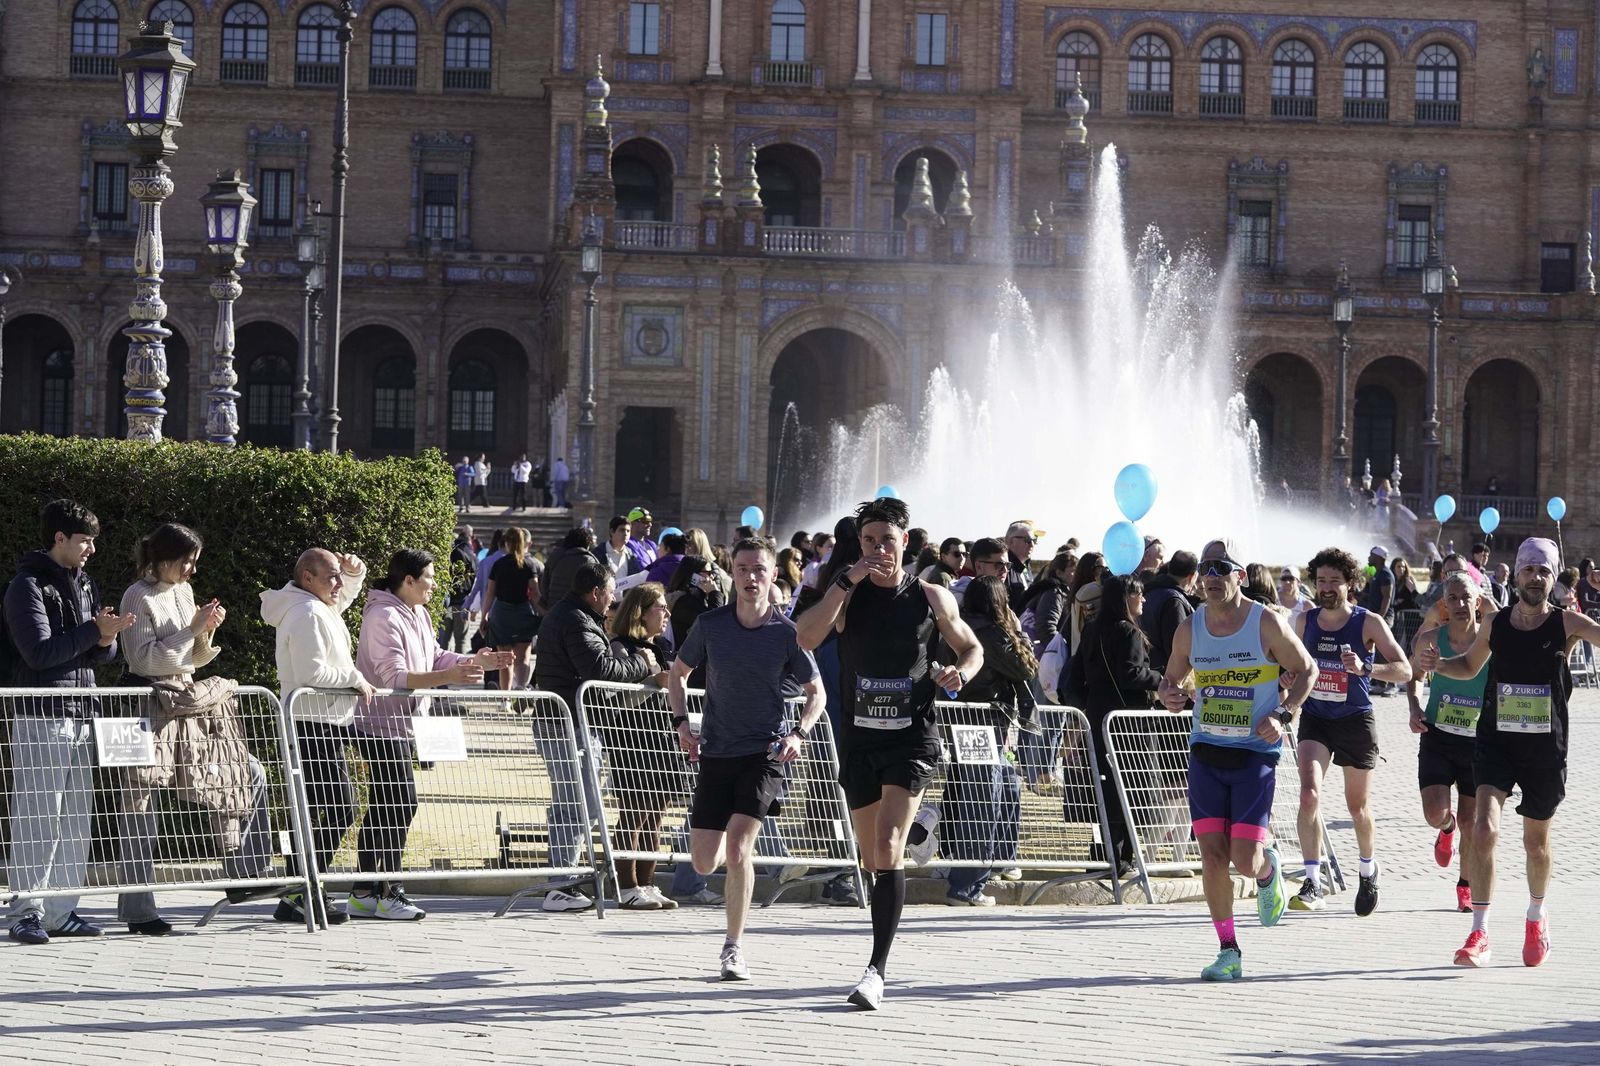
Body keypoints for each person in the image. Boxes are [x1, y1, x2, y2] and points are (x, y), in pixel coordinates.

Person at [796, 497, 983, 1011]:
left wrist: (960, 673)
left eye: (888, 540)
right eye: (869, 540)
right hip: (860, 739)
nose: (879, 549)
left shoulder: (931, 596)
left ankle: (875, 971)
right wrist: (845, 581)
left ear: (906, 542)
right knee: (872, 857)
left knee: (886, 845)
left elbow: (971, 648)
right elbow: (805, 636)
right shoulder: (847, 595)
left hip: (911, 737)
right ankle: (921, 831)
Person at [1422, 537, 1600, 968]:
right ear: (1517, 573)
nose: (1535, 577)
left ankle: (1536, 917)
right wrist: (1438, 665)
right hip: (1495, 742)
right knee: (1483, 830)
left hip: (1544, 748)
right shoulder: (1495, 623)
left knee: (1535, 845)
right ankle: (1479, 932)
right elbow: (1470, 664)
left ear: (1553, 578)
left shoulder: (1568, 623)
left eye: (1544, 571)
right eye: (1528, 569)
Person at [1157, 543, 1317, 981]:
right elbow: (1170, 680)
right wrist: (1168, 694)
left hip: (1254, 755)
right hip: (1206, 752)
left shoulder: (1266, 622)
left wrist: (1284, 714)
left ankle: (1267, 871)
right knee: (1212, 857)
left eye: (1220, 568)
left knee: (1245, 860)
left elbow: (1307, 670)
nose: (1210, 576)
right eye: (1205, 568)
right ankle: (1228, 950)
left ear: (1240, 575)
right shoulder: (1190, 628)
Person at [669, 538, 824, 978]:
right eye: (742, 569)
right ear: (731, 574)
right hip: (716, 750)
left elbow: (817, 692)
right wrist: (681, 723)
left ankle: (733, 947)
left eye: (759, 569)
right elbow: (678, 674)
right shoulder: (710, 624)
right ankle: (732, 871)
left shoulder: (788, 633)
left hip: (765, 752)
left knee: (739, 848)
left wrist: (798, 733)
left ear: (773, 575)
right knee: (704, 861)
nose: (750, 577)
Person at [116, 523, 275, 936]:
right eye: (186, 561)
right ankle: (138, 910)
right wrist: (191, 630)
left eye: (194, 562)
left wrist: (206, 630)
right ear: (163, 557)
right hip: (142, 705)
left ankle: (246, 875)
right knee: (139, 804)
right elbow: (144, 660)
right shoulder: (137, 595)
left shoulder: (184, 591)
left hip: (184, 702)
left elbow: (194, 659)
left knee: (248, 771)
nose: (191, 569)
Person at [352, 549, 511, 920]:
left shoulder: (418, 613)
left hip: (404, 725)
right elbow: (395, 678)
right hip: (379, 725)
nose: (435, 585)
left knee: (387, 806)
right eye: (430, 577)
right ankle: (389, 890)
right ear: (408, 580)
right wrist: (449, 677)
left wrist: (472, 662)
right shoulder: (383, 616)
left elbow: (435, 655)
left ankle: (364, 891)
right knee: (400, 803)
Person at [4, 500, 135, 946]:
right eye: (84, 541)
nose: (91, 549)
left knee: (77, 818)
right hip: (42, 713)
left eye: (93, 541)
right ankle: (26, 912)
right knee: (38, 816)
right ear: (58, 538)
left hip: (83, 712)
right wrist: (94, 633)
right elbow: (38, 654)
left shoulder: (85, 584)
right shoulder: (26, 587)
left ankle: (61, 912)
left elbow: (99, 655)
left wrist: (107, 639)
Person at [1290, 547, 1411, 916]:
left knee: (1357, 808)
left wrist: (1365, 668)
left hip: (1356, 720)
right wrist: (1288, 678)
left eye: (1335, 581)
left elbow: (1404, 670)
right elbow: (1289, 666)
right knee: (1309, 795)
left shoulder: (1368, 622)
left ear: (1350, 584)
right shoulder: (1304, 621)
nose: (1327, 588)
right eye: (1321, 581)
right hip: (1316, 719)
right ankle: (1312, 882)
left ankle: (1368, 869)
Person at [534, 560, 660, 911]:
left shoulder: (574, 616)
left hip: (570, 721)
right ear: (595, 592)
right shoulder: (576, 620)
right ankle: (560, 884)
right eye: (610, 593)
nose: (613, 600)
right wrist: (643, 664)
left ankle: (563, 881)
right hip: (567, 724)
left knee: (577, 805)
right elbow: (599, 668)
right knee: (578, 805)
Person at [259, 547, 373, 926]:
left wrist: (354, 574)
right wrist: (354, 678)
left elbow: (341, 599)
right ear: (307, 579)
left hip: (319, 721)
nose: (338, 583)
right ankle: (303, 887)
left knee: (314, 810)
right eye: (331, 577)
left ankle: (301, 890)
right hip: (311, 724)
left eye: (339, 575)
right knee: (341, 806)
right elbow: (312, 673)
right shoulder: (306, 612)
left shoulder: (314, 605)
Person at [938, 575, 1032, 906]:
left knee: (1002, 787)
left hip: (963, 721)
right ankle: (966, 886)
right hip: (982, 724)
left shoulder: (957, 628)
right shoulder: (992, 633)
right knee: (981, 802)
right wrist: (1018, 631)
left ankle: (995, 863)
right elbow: (1026, 667)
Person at [1064, 573, 1163, 872]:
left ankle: (1101, 855)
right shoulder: (1128, 631)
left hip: (1098, 718)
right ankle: (1121, 858)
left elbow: (1073, 678)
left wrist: (1088, 704)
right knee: (1131, 788)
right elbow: (1131, 674)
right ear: (1125, 598)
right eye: (1138, 593)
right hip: (1129, 723)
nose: (1143, 598)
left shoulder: (1091, 629)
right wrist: (1161, 679)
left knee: (1104, 788)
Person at [1407, 568, 1488, 914]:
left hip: (1477, 742)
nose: (1459, 604)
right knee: (1434, 813)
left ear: (1477, 601)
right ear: (1443, 604)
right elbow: (1414, 676)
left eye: (1465, 597)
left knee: (1473, 822)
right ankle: (1446, 828)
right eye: (1452, 598)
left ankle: (1465, 885)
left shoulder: (1490, 641)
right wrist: (1414, 707)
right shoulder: (1430, 639)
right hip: (1438, 735)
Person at [603, 583, 679, 910]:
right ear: (641, 612)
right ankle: (627, 886)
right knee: (634, 813)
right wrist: (652, 682)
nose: (667, 614)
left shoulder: (660, 648)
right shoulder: (620, 647)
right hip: (631, 739)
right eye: (661, 607)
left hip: (660, 737)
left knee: (656, 815)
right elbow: (613, 698)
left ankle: (648, 883)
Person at [484, 527, 541, 690]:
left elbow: (490, 593)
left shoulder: (498, 564)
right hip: (523, 612)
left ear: (506, 543)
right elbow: (535, 594)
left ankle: (506, 697)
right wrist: (544, 613)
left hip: (501, 613)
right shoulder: (529, 564)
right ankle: (520, 689)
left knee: (505, 659)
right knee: (523, 658)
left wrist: (484, 616)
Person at [1141, 550, 1199, 675]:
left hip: (1147, 673)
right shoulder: (1174, 602)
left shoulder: (1149, 593)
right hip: (1165, 678)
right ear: (1192, 576)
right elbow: (1178, 651)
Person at [1019, 550, 1074, 649]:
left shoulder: (1053, 590)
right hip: (1045, 653)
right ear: (1059, 573)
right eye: (1073, 571)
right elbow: (1046, 628)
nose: (1076, 575)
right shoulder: (1054, 593)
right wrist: (1061, 650)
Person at [542, 526, 600, 611]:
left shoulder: (555, 556)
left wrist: (547, 602)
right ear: (587, 544)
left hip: (553, 608)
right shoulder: (589, 560)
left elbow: (544, 582)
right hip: (576, 610)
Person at [441, 525, 477, 654]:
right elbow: (473, 579)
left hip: (446, 602)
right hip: (462, 602)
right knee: (460, 640)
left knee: (443, 640)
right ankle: (459, 665)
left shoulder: (446, 555)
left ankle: (441, 664)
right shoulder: (469, 555)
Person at [1002, 520, 1044, 611]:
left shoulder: (1026, 567)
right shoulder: (1003, 568)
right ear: (1011, 541)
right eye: (1027, 540)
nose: (1032, 545)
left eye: (1034, 540)